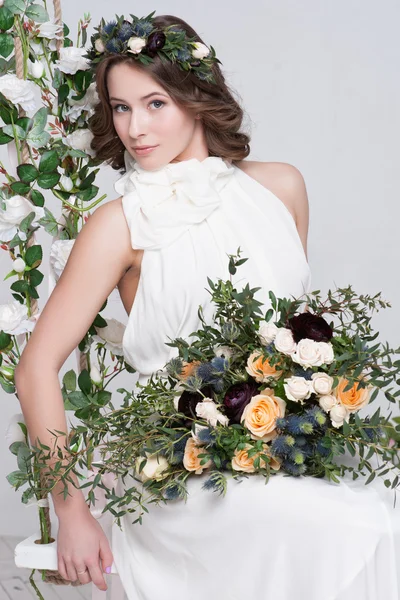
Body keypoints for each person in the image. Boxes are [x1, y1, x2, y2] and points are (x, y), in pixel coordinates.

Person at [14, 12, 398, 600]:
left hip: (290, 455)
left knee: (381, 512)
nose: (134, 127)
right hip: (186, 480)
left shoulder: (280, 188)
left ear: (197, 97)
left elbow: (296, 335)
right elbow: (35, 367)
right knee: (359, 526)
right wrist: (70, 512)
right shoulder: (117, 227)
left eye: (154, 104)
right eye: (120, 108)